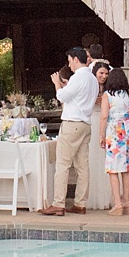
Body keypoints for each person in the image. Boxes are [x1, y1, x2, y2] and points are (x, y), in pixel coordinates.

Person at [44, 48, 98, 216]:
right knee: (82, 166)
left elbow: (62, 97)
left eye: (70, 61)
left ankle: (58, 203)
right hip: (85, 124)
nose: (69, 65)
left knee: (63, 164)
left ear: (76, 59)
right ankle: (80, 203)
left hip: (72, 123)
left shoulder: (78, 77)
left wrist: (57, 85)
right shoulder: (92, 78)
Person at [102, 68, 129, 216]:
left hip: (114, 132)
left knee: (113, 169)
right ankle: (126, 203)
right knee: (126, 168)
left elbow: (104, 116)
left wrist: (101, 135)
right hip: (128, 133)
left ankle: (117, 204)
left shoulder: (108, 95)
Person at [86, 59, 113, 210]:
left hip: (106, 123)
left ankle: (110, 196)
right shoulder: (90, 87)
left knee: (106, 158)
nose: (103, 76)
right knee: (93, 158)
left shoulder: (110, 89)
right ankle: (95, 196)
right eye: (101, 73)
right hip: (93, 120)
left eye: (106, 74)